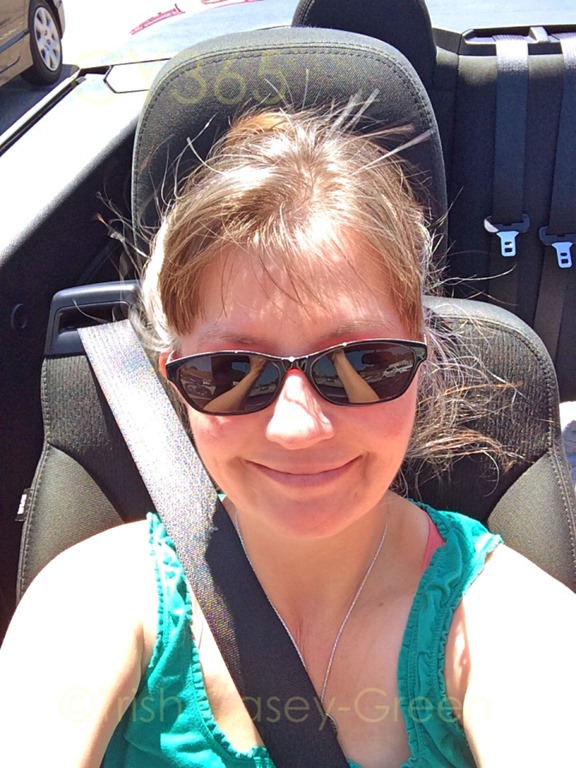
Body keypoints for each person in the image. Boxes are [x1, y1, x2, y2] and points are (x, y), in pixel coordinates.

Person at [1, 106, 576, 768]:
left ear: (423, 364)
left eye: (363, 363)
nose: (298, 428)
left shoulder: (504, 620)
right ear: (174, 384)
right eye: (230, 371)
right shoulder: (93, 598)